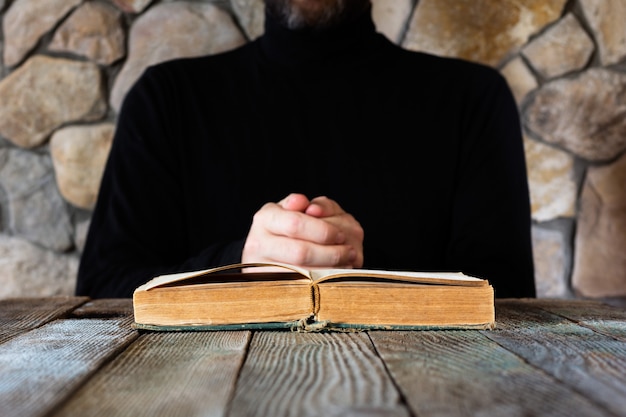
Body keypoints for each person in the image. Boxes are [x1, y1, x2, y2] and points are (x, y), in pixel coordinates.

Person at [76, 0, 536, 298]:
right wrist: (238, 265)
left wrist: (351, 272)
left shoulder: (472, 100)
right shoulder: (166, 99)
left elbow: (508, 301)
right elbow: (101, 291)